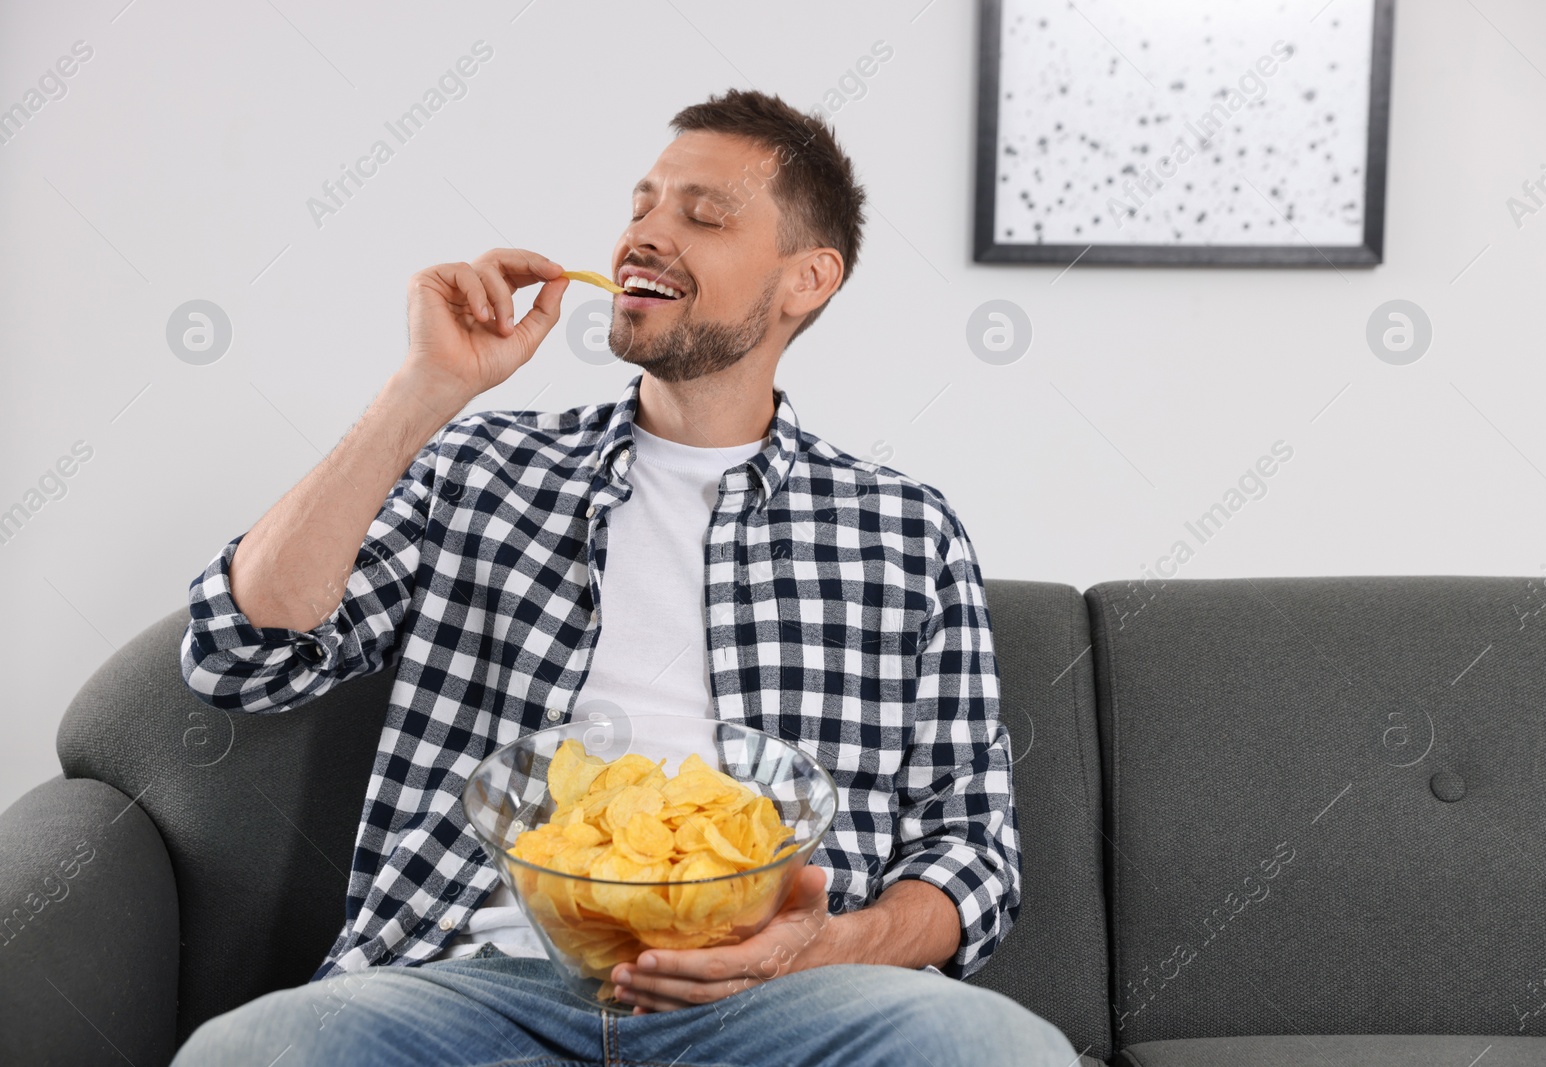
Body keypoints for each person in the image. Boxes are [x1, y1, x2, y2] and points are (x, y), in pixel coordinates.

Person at [172, 88, 1078, 1066]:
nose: (644, 236)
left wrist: (824, 942)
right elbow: (240, 657)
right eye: (641, 206)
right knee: (248, 1053)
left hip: (779, 999)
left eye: (702, 214)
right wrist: (422, 392)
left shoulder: (904, 532)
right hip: (475, 981)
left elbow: (969, 855)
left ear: (808, 279)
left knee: (1002, 1049)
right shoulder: (483, 468)